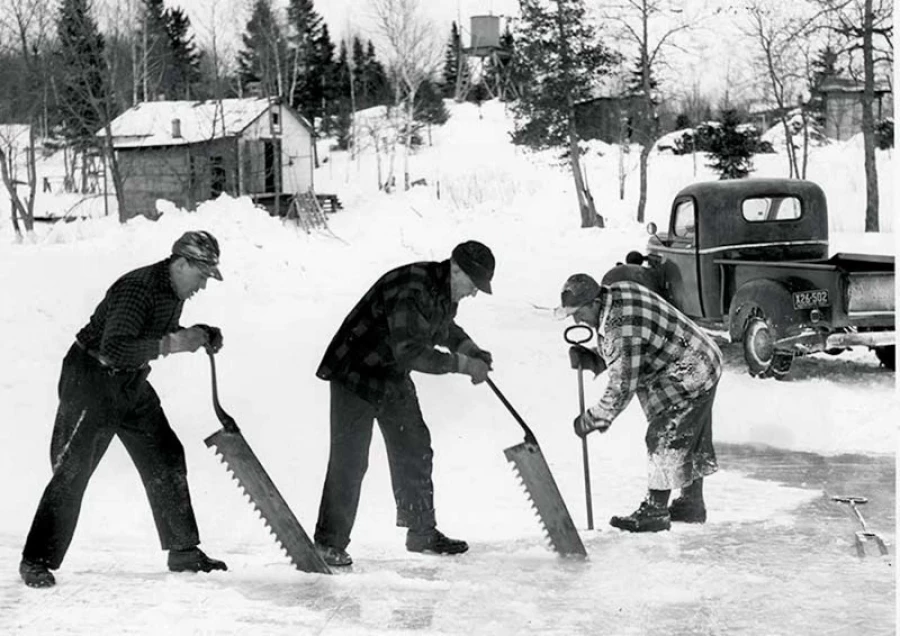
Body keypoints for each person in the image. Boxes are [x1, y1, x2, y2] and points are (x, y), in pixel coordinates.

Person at [19, 231, 228, 588]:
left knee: (165, 452)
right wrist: (174, 343)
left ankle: (182, 549)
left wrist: (198, 333)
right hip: (92, 378)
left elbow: (150, 335)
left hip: (128, 382)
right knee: (73, 469)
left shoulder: (171, 290)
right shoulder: (139, 288)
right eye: (202, 276)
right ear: (181, 264)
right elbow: (115, 347)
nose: (203, 286)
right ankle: (36, 560)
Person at [314, 241, 495, 566]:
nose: (473, 294)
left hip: (389, 373)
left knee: (414, 445)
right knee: (350, 460)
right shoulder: (413, 287)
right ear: (456, 269)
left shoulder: (442, 289)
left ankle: (421, 532)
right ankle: (328, 544)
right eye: (473, 285)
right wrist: (463, 365)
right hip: (356, 371)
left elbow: (443, 327)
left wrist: (471, 349)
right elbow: (410, 351)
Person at [556, 273, 722, 533]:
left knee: (664, 435)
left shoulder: (619, 325)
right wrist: (597, 357)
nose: (577, 320)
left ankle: (654, 511)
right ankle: (691, 503)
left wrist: (595, 418)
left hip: (689, 371)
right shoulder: (616, 293)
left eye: (578, 312)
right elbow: (636, 344)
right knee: (690, 436)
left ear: (593, 303)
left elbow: (623, 385)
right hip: (701, 358)